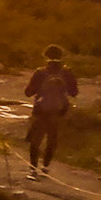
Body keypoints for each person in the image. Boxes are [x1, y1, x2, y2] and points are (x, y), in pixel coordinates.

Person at [23, 44, 78, 178]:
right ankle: (45, 167)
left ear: (45, 56)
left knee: (36, 140)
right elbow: (74, 92)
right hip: (58, 111)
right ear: (62, 56)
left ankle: (32, 169)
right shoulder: (67, 72)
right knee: (52, 140)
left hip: (40, 111)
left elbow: (28, 93)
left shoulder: (40, 72)